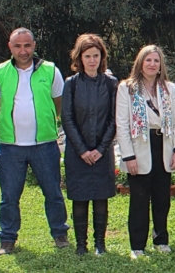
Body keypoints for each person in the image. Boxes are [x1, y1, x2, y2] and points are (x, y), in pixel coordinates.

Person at [0, 28, 69, 255]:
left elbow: (58, 103)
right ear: (10, 47)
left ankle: (60, 234)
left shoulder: (51, 71)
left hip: (44, 144)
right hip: (11, 147)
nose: (23, 51)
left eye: (27, 45)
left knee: (53, 192)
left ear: (34, 45)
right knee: (9, 197)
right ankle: (7, 240)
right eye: (17, 46)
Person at [115, 45, 175, 259]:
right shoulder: (126, 88)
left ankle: (161, 240)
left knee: (162, 199)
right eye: (148, 60)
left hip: (163, 146)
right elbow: (122, 124)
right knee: (139, 200)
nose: (152, 64)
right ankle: (137, 245)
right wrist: (128, 157)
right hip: (139, 148)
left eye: (156, 61)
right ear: (140, 62)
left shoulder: (168, 88)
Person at [61, 34, 119, 255]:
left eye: (96, 55)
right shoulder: (71, 84)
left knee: (101, 197)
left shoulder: (111, 83)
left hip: (102, 152)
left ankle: (100, 244)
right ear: (80, 58)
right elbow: (67, 119)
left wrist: (101, 149)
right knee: (80, 198)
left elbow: (114, 119)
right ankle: (81, 246)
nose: (92, 60)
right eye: (87, 56)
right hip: (78, 153)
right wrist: (83, 150)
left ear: (101, 57)